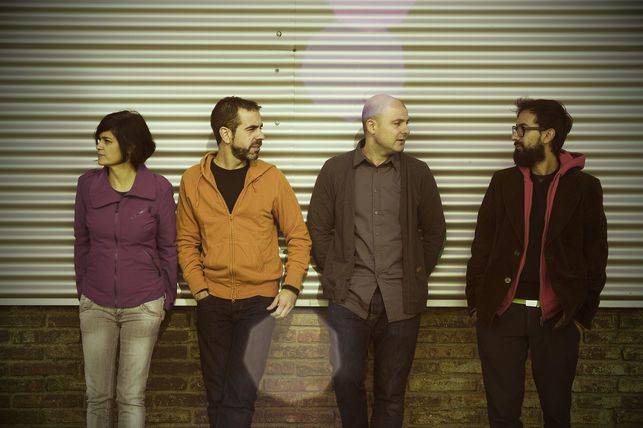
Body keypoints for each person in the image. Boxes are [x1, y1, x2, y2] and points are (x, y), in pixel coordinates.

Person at [466, 98, 608, 427]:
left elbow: (596, 254)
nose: (514, 136)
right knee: (502, 415)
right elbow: (482, 245)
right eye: (515, 128)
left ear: (547, 135)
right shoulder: (503, 182)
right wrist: (476, 302)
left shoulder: (585, 187)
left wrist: (581, 315)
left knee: (557, 413)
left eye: (522, 129)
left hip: (557, 318)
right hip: (502, 316)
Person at [307, 94, 446, 428]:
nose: (406, 130)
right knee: (346, 382)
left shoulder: (417, 173)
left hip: (401, 300)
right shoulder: (335, 170)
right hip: (349, 299)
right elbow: (318, 230)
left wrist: (414, 273)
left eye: (407, 122)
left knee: (392, 393)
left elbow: (435, 232)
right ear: (371, 126)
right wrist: (337, 272)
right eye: (398, 123)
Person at [176, 96, 311, 427]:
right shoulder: (193, 179)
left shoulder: (271, 178)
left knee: (241, 394)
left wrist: (291, 287)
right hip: (213, 301)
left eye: (260, 127)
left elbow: (298, 236)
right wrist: (200, 290)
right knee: (217, 394)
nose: (261, 135)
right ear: (225, 134)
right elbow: (186, 242)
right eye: (251, 129)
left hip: (258, 303)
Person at [74, 110, 177, 427]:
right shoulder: (87, 186)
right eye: (98, 139)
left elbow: (168, 247)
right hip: (96, 304)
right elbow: (82, 242)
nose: (98, 146)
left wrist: (165, 298)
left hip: (143, 304)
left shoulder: (158, 188)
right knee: (97, 397)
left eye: (106, 140)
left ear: (129, 146)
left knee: (131, 397)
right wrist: (84, 292)